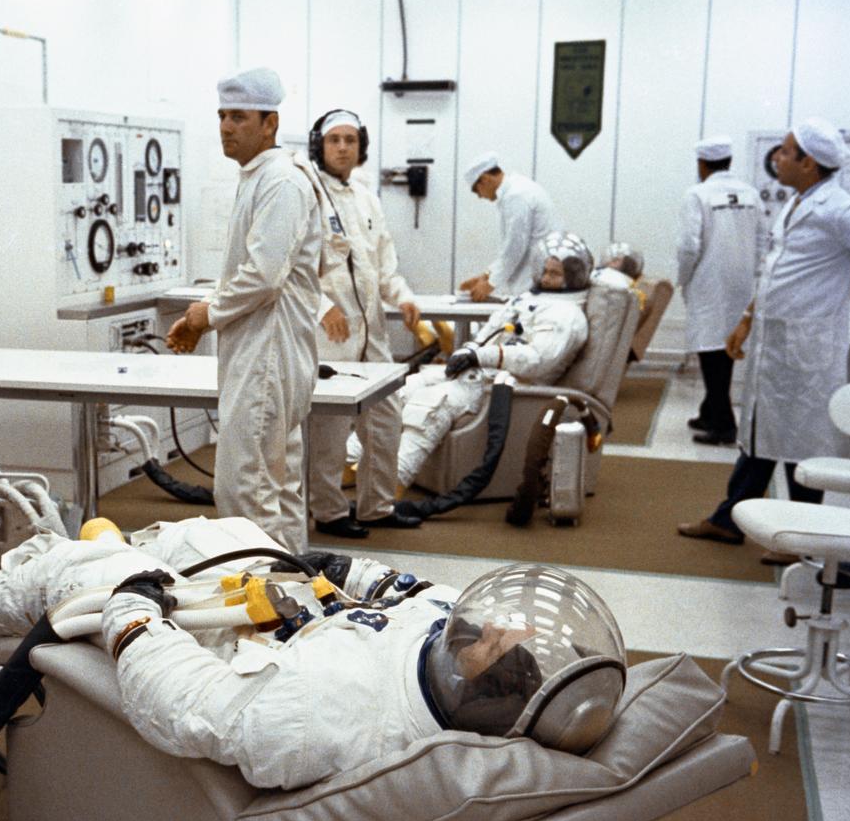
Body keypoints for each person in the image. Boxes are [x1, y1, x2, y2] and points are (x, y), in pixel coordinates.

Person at [0, 516, 627, 790]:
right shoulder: (451, 629)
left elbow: (191, 705)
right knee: (222, 527)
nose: (497, 630)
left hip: (218, 636)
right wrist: (342, 572)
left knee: (81, 572)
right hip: (276, 591)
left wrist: (133, 613)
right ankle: (125, 543)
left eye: (497, 645)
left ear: (483, 685)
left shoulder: (335, 715)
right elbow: (404, 589)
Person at [679, 118, 850, 558]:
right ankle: (729, 519)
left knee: (801, 441)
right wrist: (746, 318)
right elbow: (773, 270)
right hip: (774, 341)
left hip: (807, 346)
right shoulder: (795, 202)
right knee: (761, 434)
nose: (777, 158)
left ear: (809, 162)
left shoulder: (839, 209)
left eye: (786, 151)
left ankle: (802, 535)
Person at [165, 68, 325, 553]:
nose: (226, 127)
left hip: (268, 360)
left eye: (238, 116)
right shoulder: (261, 177)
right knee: (275, 486)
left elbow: (262, 276)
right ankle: (293, 597)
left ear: (269, 123)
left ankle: (261, 610)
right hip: (263, 356)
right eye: (221, 116)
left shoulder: (281, 182)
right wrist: (206, 313)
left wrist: (203, 314)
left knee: (244, 493)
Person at [352, 231, 592, 490]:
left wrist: (480, 355)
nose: (545, 278)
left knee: (432, 404)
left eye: (554, 274)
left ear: (573, 277)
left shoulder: (567, 316)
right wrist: (469, 351)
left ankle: (391, 484)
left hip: (512, 386)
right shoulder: (529, 299)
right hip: (481, 374)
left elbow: (536, 360)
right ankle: (349, 461)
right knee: (399, 392)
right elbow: (489, 332)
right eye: (544, 270)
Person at [306, 108, 422, 538]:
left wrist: (405, 299)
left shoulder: (367, 198)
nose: (342, 147)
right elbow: (295, 268)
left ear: (361, 147)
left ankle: (377, 504)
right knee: (330, 429)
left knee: (386, 418)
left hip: (372, 331)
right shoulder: (307, 194)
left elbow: (384, 264)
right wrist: (322, 307)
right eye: (334, 139)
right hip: (331, 333)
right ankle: (330, 511)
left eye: (350, 140)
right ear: (320, 144)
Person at [675, 135, 764, 446]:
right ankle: (709, 411)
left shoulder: (697, 194)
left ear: (702, 164)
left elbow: (688, 246)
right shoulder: (751, 194)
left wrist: (683, 278)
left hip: (708, 280)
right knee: (724, 345)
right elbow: (762, 239)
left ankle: (724, 424)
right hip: (742, 282)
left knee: (710, 348)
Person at [458, 152, 558, 302]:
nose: (479, 196)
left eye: (476, 190)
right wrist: (486, 275)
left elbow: (515, 247)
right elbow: (511, 248)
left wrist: (490, 283)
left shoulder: (516, 195)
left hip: (536, 284)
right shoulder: (517, 190)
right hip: (534, 280)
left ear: (484, 179)